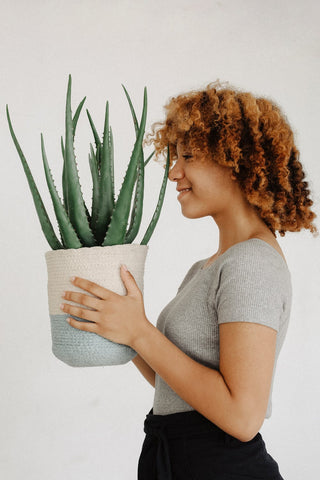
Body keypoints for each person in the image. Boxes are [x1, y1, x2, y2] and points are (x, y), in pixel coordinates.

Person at [60, 80, 318, 479]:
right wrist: (125, 332)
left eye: (189, 156)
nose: (174, 173)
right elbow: (175, 385)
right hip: (178, 459)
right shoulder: (207, 267)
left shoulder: (251, 264)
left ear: (236, 160)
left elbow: (242, 417)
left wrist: (142, 333)